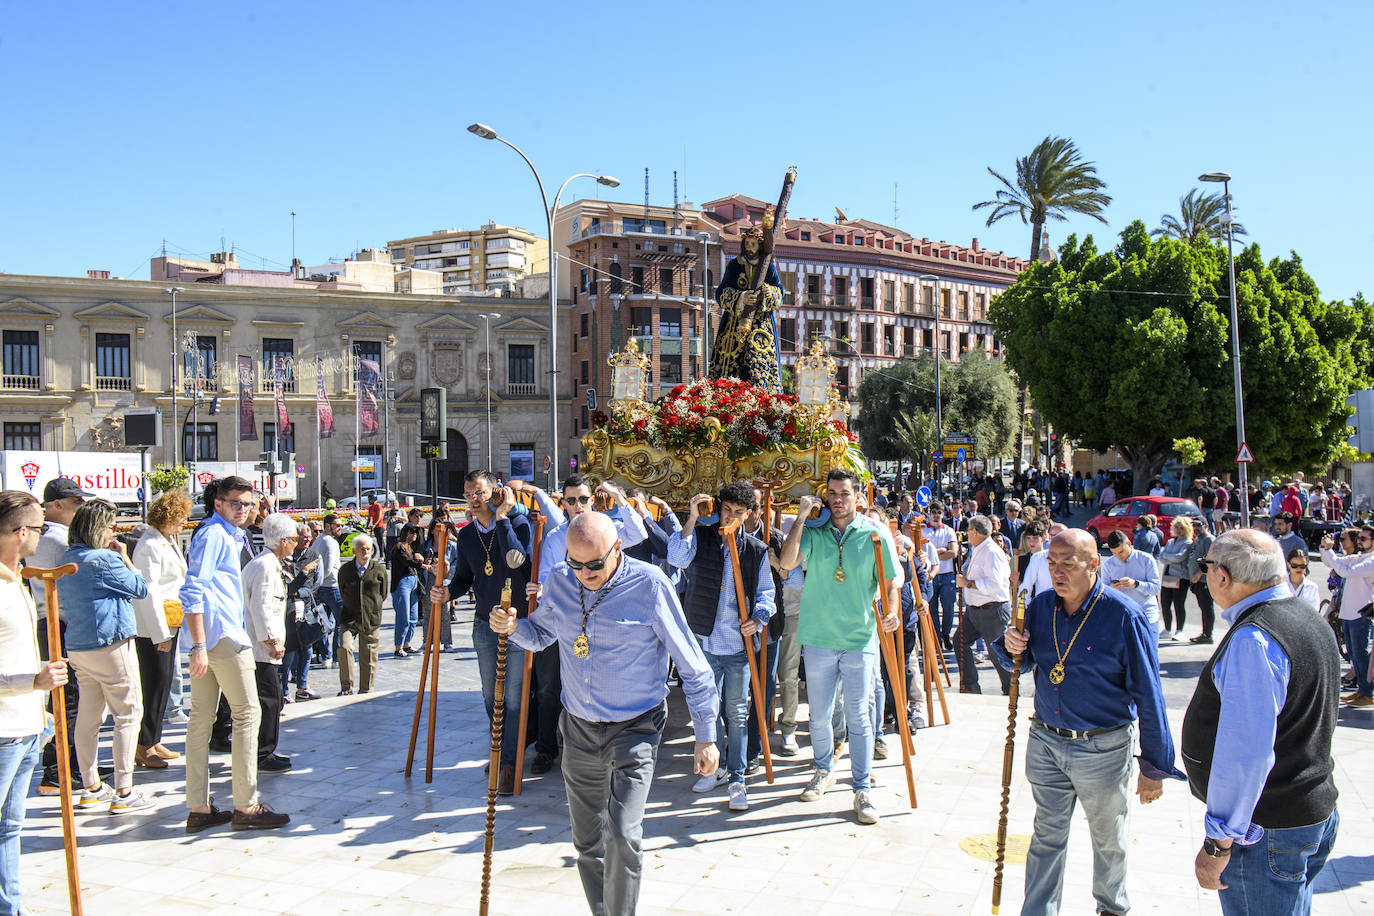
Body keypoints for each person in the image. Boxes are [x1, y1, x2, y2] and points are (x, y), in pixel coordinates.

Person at [489, 511, 719, 916]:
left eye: (594, 564)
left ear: (618, 548)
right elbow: (540, 635)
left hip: (636, 727)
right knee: (588, 841)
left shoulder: (649, 585)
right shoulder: (561, 581)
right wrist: (511, 627)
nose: (585, 573)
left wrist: (706, 735)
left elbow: (693, 665)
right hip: (578, 729)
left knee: (623, 834)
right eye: (576, 563)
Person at [997, 529, 1182, 916]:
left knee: (1108, 840)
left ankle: (1112, 908)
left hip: (1102, 746)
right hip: (1047, 740)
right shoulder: (1042, 605)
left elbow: (1149, 694)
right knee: (1046, 837)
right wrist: (1010, 643)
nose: (1057, 571)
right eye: (1051, 563)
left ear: (1094, 565)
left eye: (1069, 563)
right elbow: (1023, 659)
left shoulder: (1123, 616)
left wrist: (1154, 766)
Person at [1183, 530, 1340, 913]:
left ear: (1222, 576)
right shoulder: (1304, 616)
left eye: (1207, 568)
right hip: (1304, 811)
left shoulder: (1255, 638)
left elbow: (1246, 754)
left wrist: (1218, 842)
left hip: (1267, 829)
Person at [779, 469, 900, 826]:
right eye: (832, 492)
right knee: (817, 714)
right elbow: (787, 563)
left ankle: (861, 789)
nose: (837, 499)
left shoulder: (876, 534)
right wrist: (801, 516)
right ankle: (822, 769)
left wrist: (891, 612)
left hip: (859, 638)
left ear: (858, 496)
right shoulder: (814, 532)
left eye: (844, 493)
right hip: (817, 636)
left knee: (859, 716)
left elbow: (890, 582)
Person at [180, 476, 289, 832]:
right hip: (223, 636)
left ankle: (199, 806)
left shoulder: (227, 534)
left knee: (202, 719)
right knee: (247, 715)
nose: (243, 509)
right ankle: (246, 805)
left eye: (247, 503)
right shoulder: (214, 535)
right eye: (235, 503)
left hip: (217, 635)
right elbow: (193, 588)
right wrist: (198, 646)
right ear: (218, 504)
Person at [526, 477, 649, 777]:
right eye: (571, 501)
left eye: (583, 500)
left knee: (598, 681)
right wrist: (539, 590)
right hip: (566, 620)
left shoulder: (607, 530)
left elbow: (638, 532)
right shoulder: (555, 538)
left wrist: (620, 498)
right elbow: (545, 577)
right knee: (548, 686)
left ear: (592, 500)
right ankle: (546, 747)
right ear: (563, 503)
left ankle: (599, 745)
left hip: (604, 620)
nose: (578, 506)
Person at [668, 484, 774, 811]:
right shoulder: (701, 536)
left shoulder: (755, 550)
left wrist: (757, 619)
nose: (731, 516)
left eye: (739, 512)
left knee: (737, 712)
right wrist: (690, 519)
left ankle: (738, 777)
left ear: (748, 515)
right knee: (707, 709)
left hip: (739, 646)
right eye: (727, 510)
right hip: (704, 639)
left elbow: (766, 596)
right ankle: (713, 767)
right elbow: (675, 556)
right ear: (719, 508)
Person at [430, 471, 534, 796]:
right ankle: (501, 750)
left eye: (480, 492)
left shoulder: (519, 524)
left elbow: (517, 561)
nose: (474, 500)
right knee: (492, 697)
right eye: (468, 494)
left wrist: (502, 520)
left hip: (517, 622)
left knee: (514, 699)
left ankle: (509, 764)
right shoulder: (466, 535)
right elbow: (464, 576)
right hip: (485, 622)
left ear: (495, 493)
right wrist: (448, 592)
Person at [55, 499, 153, 814]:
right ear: (98, 529)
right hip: (110, 643)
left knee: (89, 715)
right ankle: (124, 790)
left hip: (79, 646)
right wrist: (125, 557)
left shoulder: (68, 557)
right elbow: (139, 588)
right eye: (112, 526)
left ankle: (91, 785)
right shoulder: (103, 560)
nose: (116, 532)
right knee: (127, 713)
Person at [1, 490, 70, 914]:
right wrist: (34, 679)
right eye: (41, 529)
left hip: (27, 727)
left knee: (10, 828)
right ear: (21, 532)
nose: (42, 537)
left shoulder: (19, 580)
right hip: (3, 730)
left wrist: (40, 699)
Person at [30, 477, 92, 795]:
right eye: (75, 503)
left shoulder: (46, 537)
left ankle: (67, 766)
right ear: (56, 505)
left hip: (53, 621)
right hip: (61, 623)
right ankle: (59, 769)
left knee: (68, 699)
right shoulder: (58, 540)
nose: (80, 508)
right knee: (68, 700)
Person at [130, 490, 192, 771]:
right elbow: (149, 592)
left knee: (165, 681)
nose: (183, 523)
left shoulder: (166, 541)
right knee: (154, 682)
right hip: (155, 625)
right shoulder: (149, 545)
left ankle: (153, 739)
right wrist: (160, 634)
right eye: (180, 518)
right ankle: (143, 744)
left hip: (171, 618)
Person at [242, 513, 303, 773]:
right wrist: (272, 640)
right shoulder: (266, 566)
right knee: (270, 700)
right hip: (260, 650)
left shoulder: (267, 563)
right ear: (283, 541)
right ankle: (263, 753)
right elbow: (261, 608)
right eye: (294, 540)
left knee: (270, 699)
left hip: (261, 648)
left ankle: (263, 750)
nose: (296, 543)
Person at [709, 224, 782, 390]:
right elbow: (722, 291)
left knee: (759, 363)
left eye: (753, 244)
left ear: (761, 245)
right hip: (734, 323)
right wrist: (741, 298)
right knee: (729, 364)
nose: (750, 248)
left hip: (761, 325)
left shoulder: (768, 266)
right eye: (747, 244)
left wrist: (768, 292)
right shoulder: (735, 264)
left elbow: (780, 291)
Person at [956, 515, 1013, 695]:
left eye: (969, 531)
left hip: (992, 609)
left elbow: (994, 584)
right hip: (975, 611)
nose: (967, 535)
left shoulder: (991, 552)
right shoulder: (979, 549)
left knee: (997, 653)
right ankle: (970, 686)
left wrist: (968, 583)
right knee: (959, 641)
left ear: (975, 531)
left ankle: (1011, 689)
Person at [1319, 525, 1374, 708]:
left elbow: (1345, 571)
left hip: (1361, 613)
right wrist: (1325, 548)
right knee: (1354, 654)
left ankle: (1367, 692)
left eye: (1363, 539)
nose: (1359, 541)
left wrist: (1330, 552)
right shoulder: (1359, 557)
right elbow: (1333, 563)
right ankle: (1361, 690)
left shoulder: (1371, 561)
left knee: (1361, 653)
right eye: (1359, 538)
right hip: (1349, 612)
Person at [337, 534, 388, 696]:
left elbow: (383, 593)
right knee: (345, 647)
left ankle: (366, 689)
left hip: (370, 618)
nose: (366, 552)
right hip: (349, 617)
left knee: (369, 655)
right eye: (362, 549)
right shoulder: (345, 570)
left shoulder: (379, 570)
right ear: (354, 551)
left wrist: (373, 607)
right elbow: (341, 590)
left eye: (368, 549)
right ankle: (346, 686)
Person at [301, 513, 343, 666]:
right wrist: (319, 581)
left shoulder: (318, 540)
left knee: (324, 622)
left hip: (320, 589)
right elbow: (328, 567)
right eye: (337, 525)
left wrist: (315, 584)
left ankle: (326, 656)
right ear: (327, 526)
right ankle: (338, 657)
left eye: (341, 525)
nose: (340, 528)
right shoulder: (330, 542)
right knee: (341, 622)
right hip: (331, 586)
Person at [1102, 529, 1162, 634]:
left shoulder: (1146, 559)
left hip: (1147, 615)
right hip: (1121, 618)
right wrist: (1112, 588)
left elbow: (1156, 588)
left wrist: (1136, 584)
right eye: (1114, 553)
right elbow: (1103, 591)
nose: (1118, 556)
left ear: (1129, 544)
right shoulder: (1109, 564)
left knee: (1149, 650)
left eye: (1121, 552)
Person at [924, 501, 958, 650]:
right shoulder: (923, 530)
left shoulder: (949, 531)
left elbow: (953, 552)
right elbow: (923, 554)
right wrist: (941, 550)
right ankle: (936, 637)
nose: (936, 515)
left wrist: (933, 554)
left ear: (943, 514)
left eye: (939, 513)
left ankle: (946, 633)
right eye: (933, 512)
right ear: (929, 514)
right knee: (932, 609)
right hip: (930, 575)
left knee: (949, 606)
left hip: (947, 575)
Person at [389, 525, 427, 659]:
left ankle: (407, 644)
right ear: (405, 533)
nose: (414, 535)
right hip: (402, 583)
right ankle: (398, 647)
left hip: (412, 582)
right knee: (403, 616)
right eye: (412, 532)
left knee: (413, 617)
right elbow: (407, 561)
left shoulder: (412, 548)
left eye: (416, 533)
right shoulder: (399, 547)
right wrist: (423, 565)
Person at [1159, 517, 1194, 641]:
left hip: (1181, 577)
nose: (1179, 530)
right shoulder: (1170, 542)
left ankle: (1179, 630)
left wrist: (1168, 557)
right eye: (1177, 527)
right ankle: (1167, 629)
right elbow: (1161, 557)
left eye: (1182, 528)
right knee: (1165, 603)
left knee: (1178, 604)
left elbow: (1180, 557)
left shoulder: (1188, 543)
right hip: (1168, 576)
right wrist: (1171, 558)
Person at [1188, 519, 1219, 645]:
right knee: (1202, 607)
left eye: (1198, 525)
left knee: (1207, 607)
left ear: (1206, 526)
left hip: (1204, 580)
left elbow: (1210, 560)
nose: (1195, 528)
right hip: (1197, 582)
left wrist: (1198, 574)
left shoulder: (1209, 540)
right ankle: (1204, 632)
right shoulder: (1198, 539)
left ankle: (1208, 634)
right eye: (1193, 526)